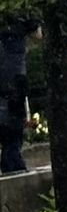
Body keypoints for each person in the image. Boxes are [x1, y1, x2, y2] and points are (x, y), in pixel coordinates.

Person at [0, 20, 27, 173]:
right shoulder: (15, 56)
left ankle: (11, 164)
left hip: (9, 97)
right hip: (12, 98)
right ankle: (13, 165)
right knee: (12, 138)